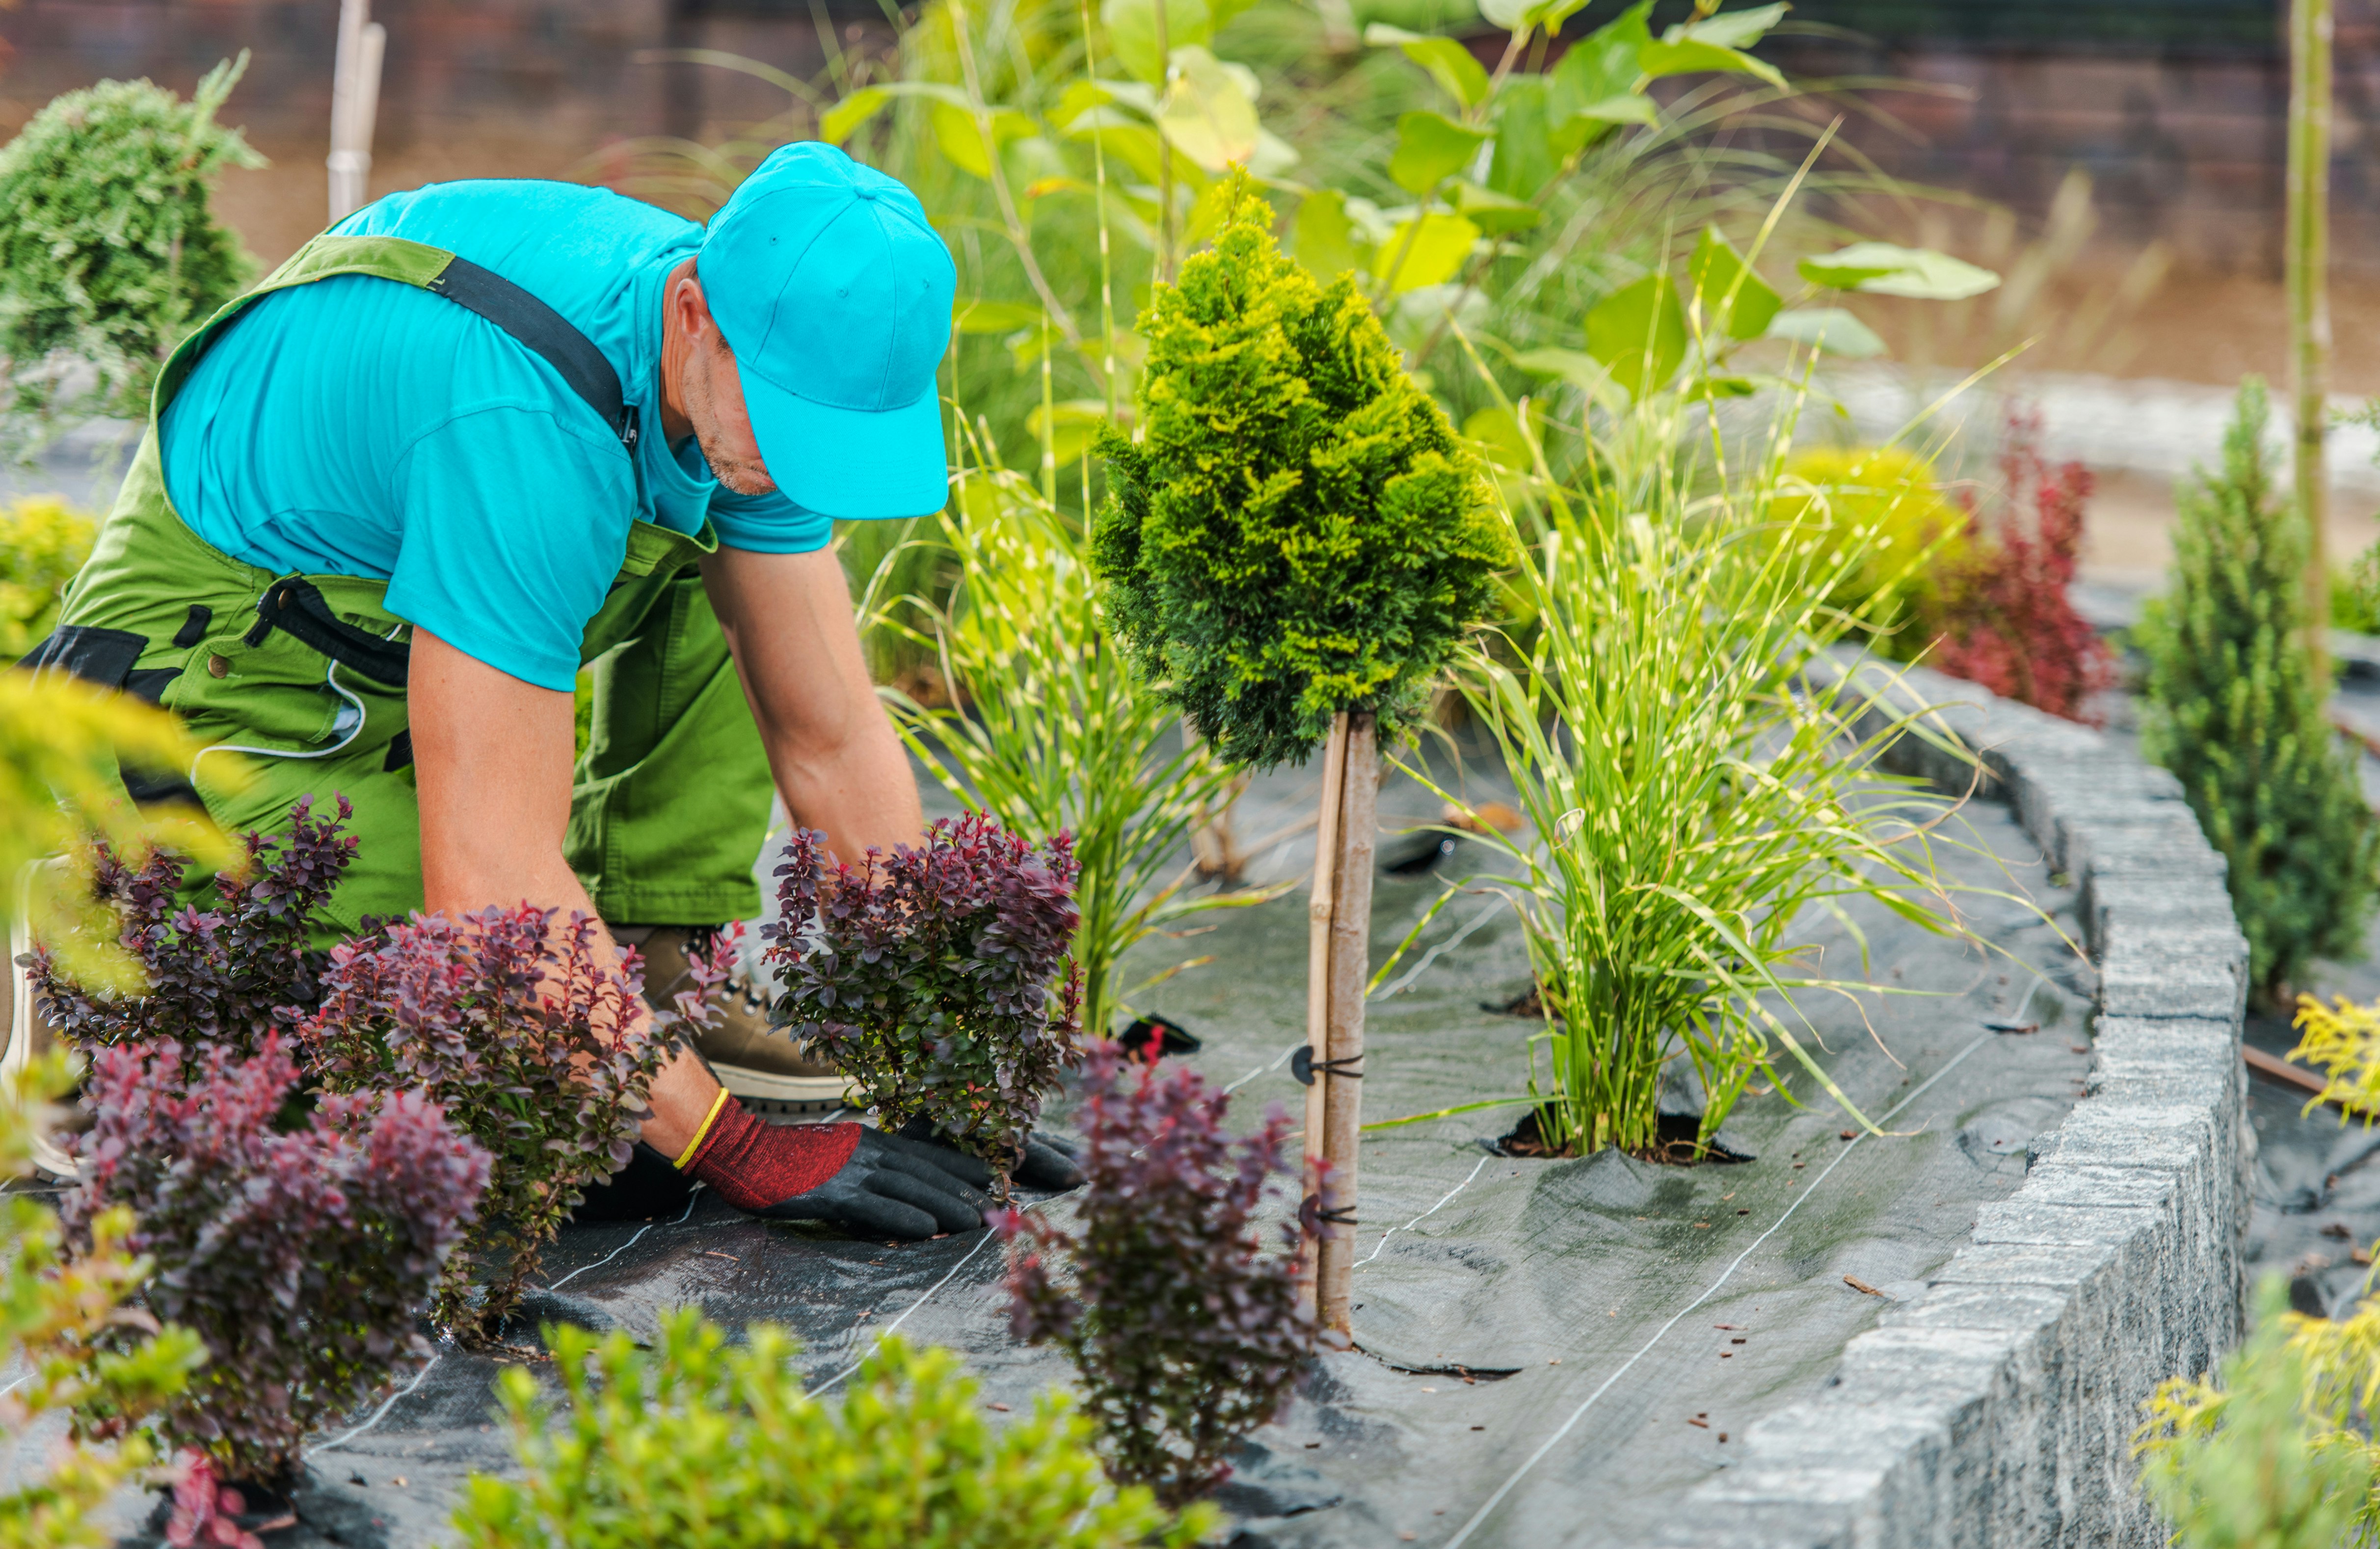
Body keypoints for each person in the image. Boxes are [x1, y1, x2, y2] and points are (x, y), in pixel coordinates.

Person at [24, 141, 1061, 1239]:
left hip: (391, 622)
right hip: (212, 672)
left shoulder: (741, 377)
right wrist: (736, 1148)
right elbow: (490, 881)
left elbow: (834, 737)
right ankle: (90, 994)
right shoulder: (522, 420)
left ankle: (655, 966)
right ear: (694, 310)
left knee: (740, 574)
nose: (801, 464)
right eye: (789, 420)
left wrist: (942, 1059)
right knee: (451, 1117)